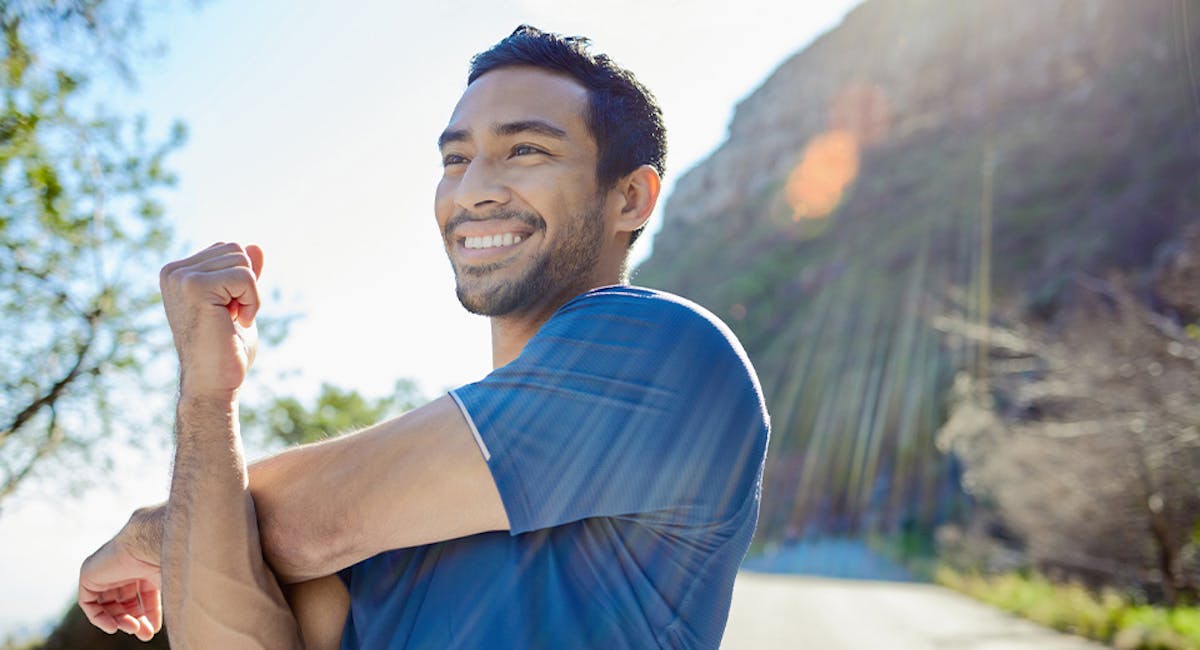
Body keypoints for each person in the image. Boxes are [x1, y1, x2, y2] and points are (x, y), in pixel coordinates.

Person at [77, 25, 769, 649]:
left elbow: (298, 525)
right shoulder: (391, 530)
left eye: (524, 149)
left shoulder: (664, 351)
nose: (472, 191)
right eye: (455, 159)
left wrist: (151, 534)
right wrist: (206, 395)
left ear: (631, 198)